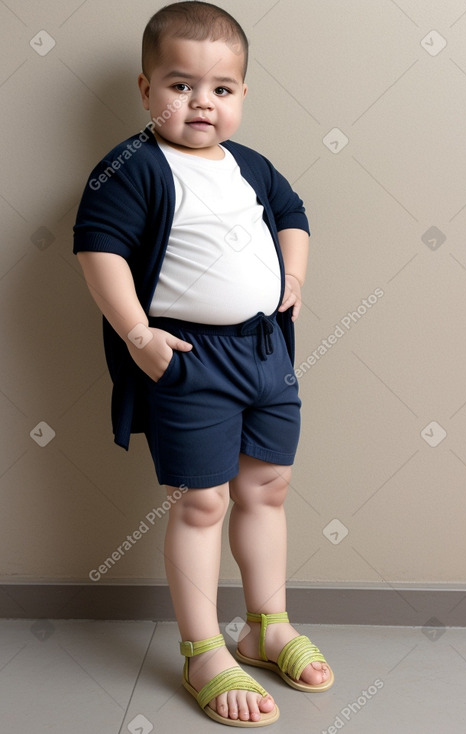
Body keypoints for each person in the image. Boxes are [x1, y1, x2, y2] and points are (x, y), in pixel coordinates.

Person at [73, 1, 333, 726]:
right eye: (180, 84)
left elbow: (292, 214)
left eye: (221, 88)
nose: (200, 102)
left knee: (268, 487)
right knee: (201, 501)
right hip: (189, 359)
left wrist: (294, 278)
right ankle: (201, 650)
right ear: (145, 87)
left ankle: (265, 626)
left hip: (263, 352)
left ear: (242, 95)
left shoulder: (249, 165)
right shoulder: (132, 166)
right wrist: (136, 334)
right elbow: (99, 250)